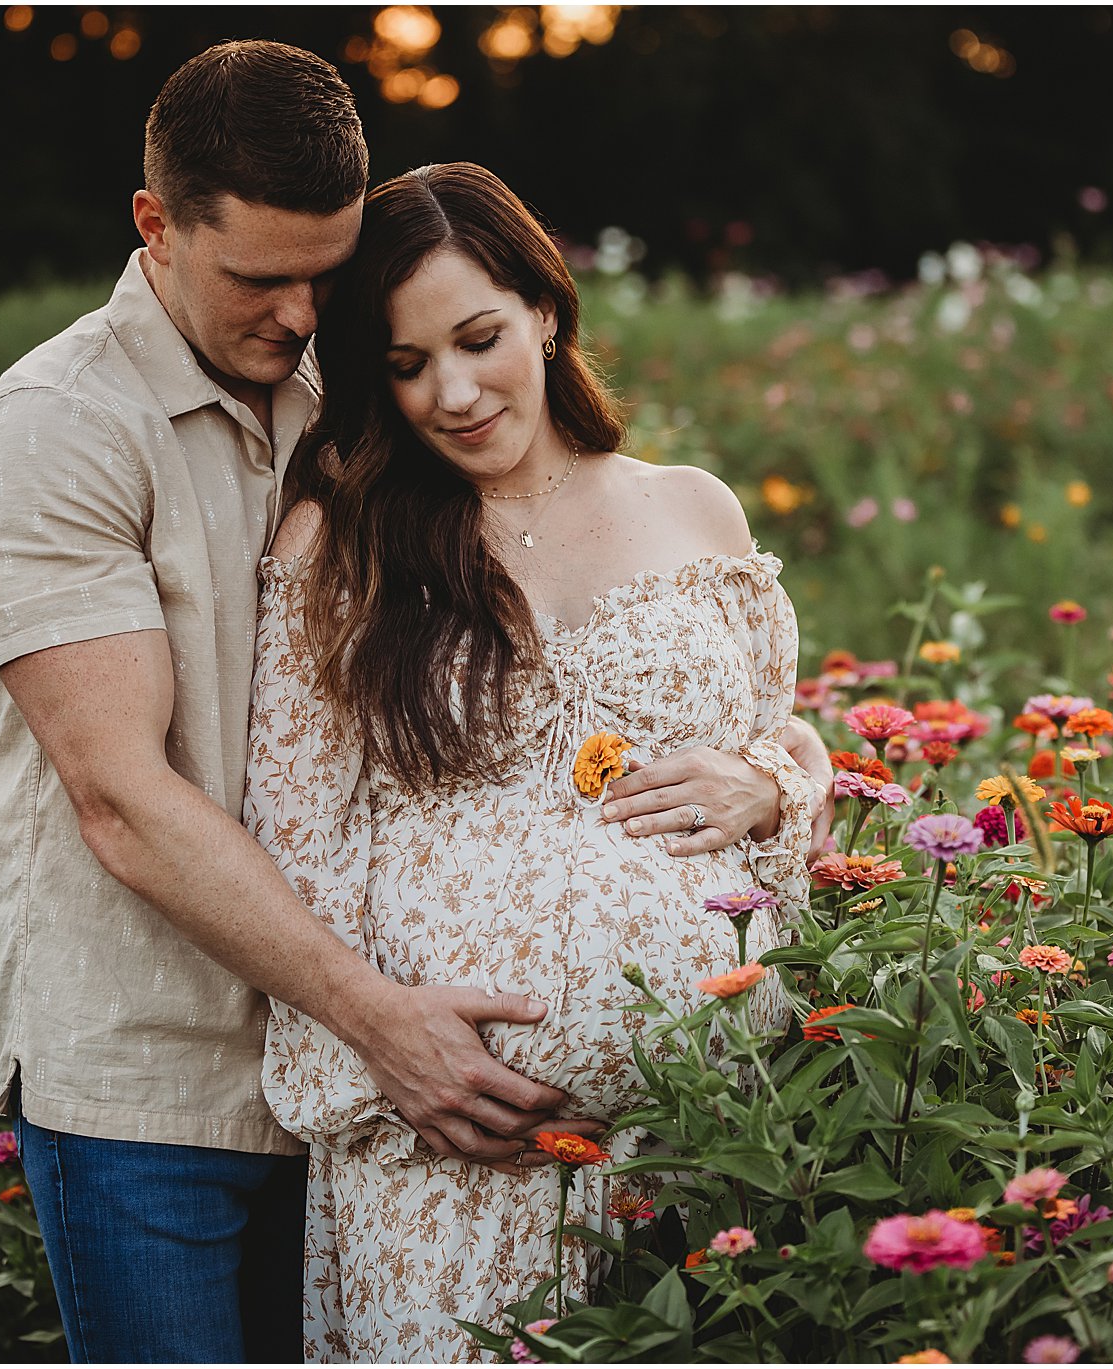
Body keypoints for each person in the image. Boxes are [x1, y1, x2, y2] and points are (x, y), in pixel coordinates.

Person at [0, 42, 825, 1362]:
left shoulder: (345, 390)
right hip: (166, 1069)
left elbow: (734, 715)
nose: (301, 314)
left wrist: (780, 773)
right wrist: (374, 1025)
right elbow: (119, 797)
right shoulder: (57, 434)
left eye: (325, 276)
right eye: (261, 277)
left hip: (414, 1080)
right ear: (155, 226)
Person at [242, 162, 817, 1363]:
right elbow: (298, 840)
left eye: (478, 338)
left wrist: (771, 781)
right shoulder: (342, 546)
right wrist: (389, 1059)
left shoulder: (691, 509)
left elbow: (785, 738)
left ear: (545, 311)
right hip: (459, 1153)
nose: (452, 393)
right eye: (406, 364)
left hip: (708, 1141)